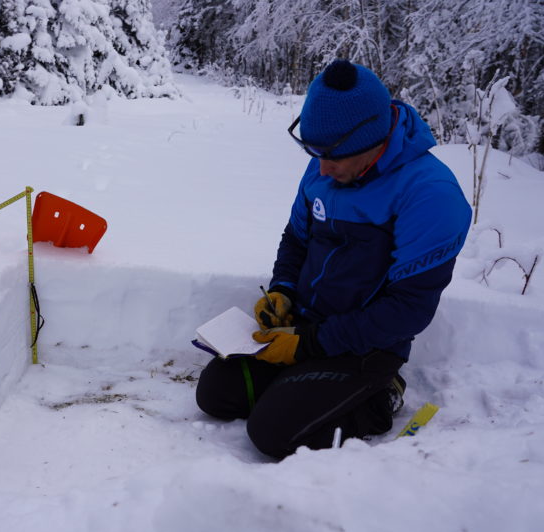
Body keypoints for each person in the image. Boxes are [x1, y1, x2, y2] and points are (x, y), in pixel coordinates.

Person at [195, 59, 472, 458]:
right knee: (217, 394)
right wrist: (283, 291)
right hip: (306, 326)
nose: (321, 168)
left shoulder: (429, 194)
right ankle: (304, 387)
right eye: (314, 152)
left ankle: (380, 396)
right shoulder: (325, 165)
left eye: (333, 156)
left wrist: (307, 345)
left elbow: (408, 310)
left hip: (365, 347)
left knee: (272, 434)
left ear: (373, 140)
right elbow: (296, 239)